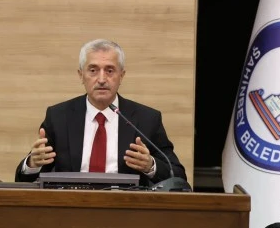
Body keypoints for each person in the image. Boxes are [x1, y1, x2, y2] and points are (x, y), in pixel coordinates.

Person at [15, 39, 187, 185]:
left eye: (110, 71)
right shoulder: (58, 117)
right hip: (71, 206)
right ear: (81, 75)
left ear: (121, 76)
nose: (102, 79)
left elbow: (178, 177)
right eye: (93, 70)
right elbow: (23, 180)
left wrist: (151, 166)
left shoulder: (146, 119)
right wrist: (32, 164)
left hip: (126, 206)